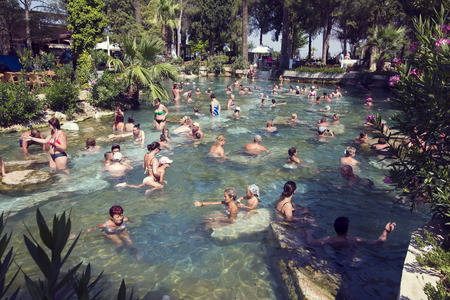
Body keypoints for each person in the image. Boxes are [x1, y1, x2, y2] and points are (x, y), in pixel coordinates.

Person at [69, 205, 138, 257]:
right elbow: (92, 229)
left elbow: (129, 218)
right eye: (117, 217)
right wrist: (76, 235)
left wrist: (133, 221)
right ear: (112, 217)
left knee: (129, 241)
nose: (120, 218)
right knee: (120, 243)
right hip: (110, 232)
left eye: (121, 215)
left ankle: (135, 254)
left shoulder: (124, 219)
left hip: (120, 230)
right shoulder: (105, 224)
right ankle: (115, 255)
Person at [306, 216, 396, 249]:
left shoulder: (330, 240)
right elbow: (378, 243)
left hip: (338, 262)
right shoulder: (356, 240)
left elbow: (311, 242)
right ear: (348, 229)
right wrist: (386, 231)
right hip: (354, 261)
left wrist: (309, 233)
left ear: (334, 228)